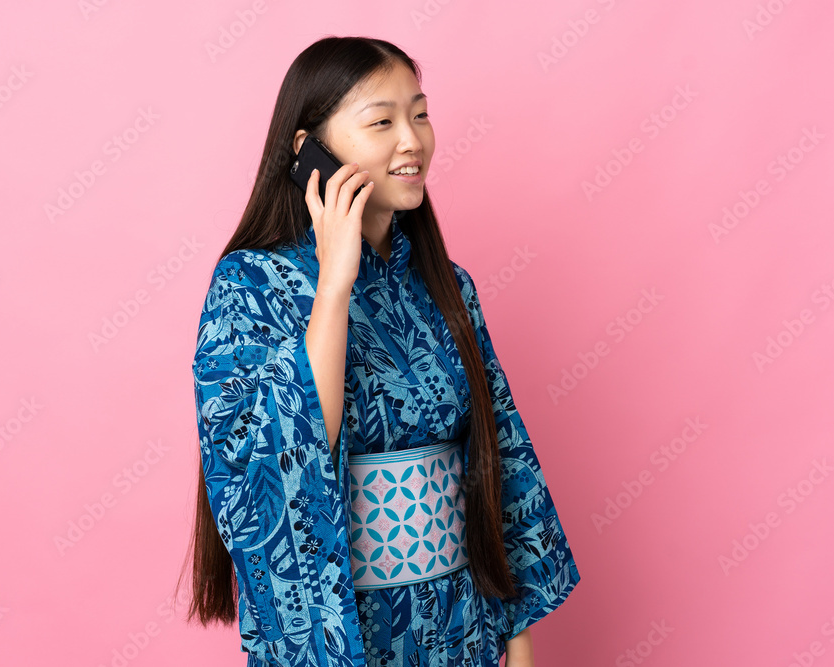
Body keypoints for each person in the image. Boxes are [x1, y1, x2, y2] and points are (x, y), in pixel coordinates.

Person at [178, 36, 581, 667]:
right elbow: (282, 453)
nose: (412, 141)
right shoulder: (252, 284)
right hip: (349, 632)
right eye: (381, 122)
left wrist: (520, 639)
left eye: (419, 114)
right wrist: (335, 282)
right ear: (309, 149)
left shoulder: (448, 286)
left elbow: (500, 459)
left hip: (461, 625)